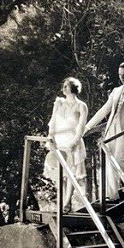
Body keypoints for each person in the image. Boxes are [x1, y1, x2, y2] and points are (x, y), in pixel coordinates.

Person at [85, 61, 124, 199]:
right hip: (111, 129)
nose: (122, 78)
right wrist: (88, 126)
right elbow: (104, 110)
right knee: (109, 161)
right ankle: (112, 195)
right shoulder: (116, 91)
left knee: (120, 157)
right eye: (120, 75)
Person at [43, 77, 88, 210]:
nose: (63, 88)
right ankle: (61, 202)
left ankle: (67, 203)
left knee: (70, 174)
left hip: (71, 141)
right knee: (59, 174)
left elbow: (81, 127)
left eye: (66, 86)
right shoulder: (59, 103)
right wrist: (50, 136)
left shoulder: (81, 105)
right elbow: (53, 121)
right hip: (58, 140)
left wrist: (74, 143)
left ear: (73, 88)